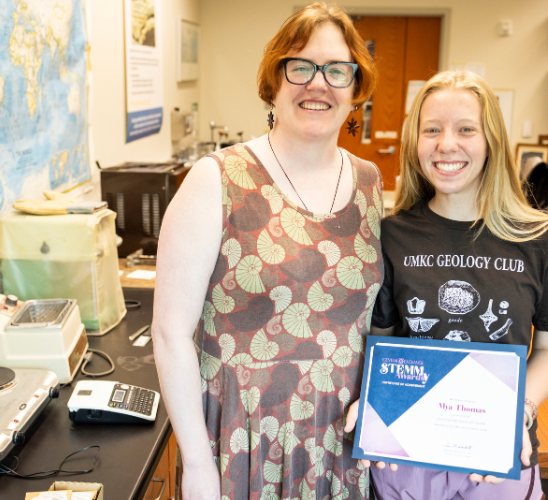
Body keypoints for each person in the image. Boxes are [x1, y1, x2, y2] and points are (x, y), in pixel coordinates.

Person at [152, 3, 382, 499]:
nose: (318, 83)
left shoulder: (371, 182)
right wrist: (195, 464)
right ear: (273, 81)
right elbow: (171, 333)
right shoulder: (216, 179)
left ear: (355, 90)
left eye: (337, 70)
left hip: (340, 446)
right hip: (241, 444)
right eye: (300, 66)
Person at [343, 70, 548, 499]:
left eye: (465, 129)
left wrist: (516, 415)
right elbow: (381, 345)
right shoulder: (390, 235)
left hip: (494, 456)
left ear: (491, 139)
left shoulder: (546, 240)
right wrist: (373, 403)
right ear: (414, 142)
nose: (446, 144)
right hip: (405, 454)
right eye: (431, 130)